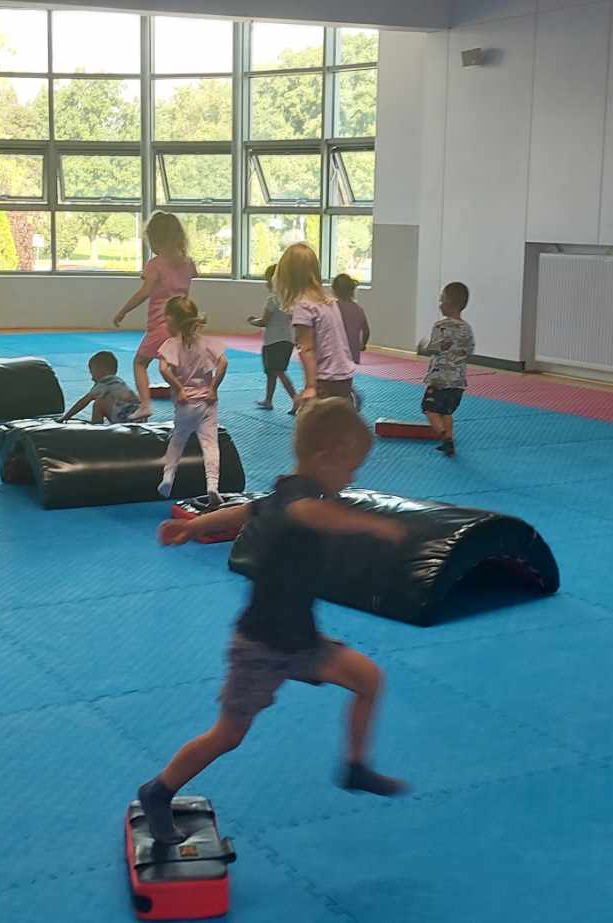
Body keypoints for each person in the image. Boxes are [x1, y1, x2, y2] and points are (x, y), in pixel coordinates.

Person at [138, 400, 410, 847]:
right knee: (228, 734)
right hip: (261, 646)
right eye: (350, 468)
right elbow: (307, 515)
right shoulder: (303, 503)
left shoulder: (287, 493)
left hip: (301, 641)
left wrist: (192, 527)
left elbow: (244, 511)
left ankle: (355, 767)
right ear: (326, 457)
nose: (352, 478)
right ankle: (157, 791)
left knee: (369, 680)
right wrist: (375, 526)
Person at [112, 213, 197, 421]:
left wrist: (123, 311)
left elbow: (144, 292)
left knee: (140, 363)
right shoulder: (188, 263)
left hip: (162, 324)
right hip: (183, 324)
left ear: (155, 239)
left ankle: (145, 405)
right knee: (175, 370)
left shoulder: (155, 264)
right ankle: (185, 408)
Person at [154, 296, 228, 500]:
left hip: (186, 403)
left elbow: (163, 369)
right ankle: (212, 485)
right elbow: (223, 363)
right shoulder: (206, 342)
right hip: (207, 401)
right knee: (210, 445)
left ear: (172, 320)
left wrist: (178, 388)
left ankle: (168, 478)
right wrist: (213, 388)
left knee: (177, 442)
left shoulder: (171, 344)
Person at [277, 244, 356, 408]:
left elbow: (307, 349)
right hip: (343, 375)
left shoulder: (304, 306)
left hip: (326, 377)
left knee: (316, 421)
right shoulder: (328, 303)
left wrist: (310, 387)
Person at [416, 283, 476, 457]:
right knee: (446, 412)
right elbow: (469, 350)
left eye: (441, 300)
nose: (440, 304)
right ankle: (449, 439)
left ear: (448, 303)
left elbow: (434, 348)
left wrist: (422, 348)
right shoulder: (466, 328)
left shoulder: (440, 326)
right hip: (457, 381)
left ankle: (443, 435)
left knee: (429, 408)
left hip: (439, 380)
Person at [246, 263, 298, 411]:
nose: (266, 283)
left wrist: (252, 321)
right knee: (272, 372)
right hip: (286, 340)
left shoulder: (273, 299)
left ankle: (296, 399)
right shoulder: (289, 299)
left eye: (267, 280)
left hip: (274, 341)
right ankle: (268, 400)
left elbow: (264, 321)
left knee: (278, 372)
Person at [60, 350, 141, 424]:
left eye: (92, 373)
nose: (92, 378)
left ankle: (96, 426)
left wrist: (65, 417)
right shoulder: (119, 382)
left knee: (98, 403)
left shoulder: (103, 384)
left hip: (125, 420)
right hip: (139, 418)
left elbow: (83, 402)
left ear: (100, 371)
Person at [332, 273, 370, 365]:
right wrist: (363, 345)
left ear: (334, 290)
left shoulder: (332, 308)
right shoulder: (358, 309)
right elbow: (366, 331)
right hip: (353, 355)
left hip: (335, 355)